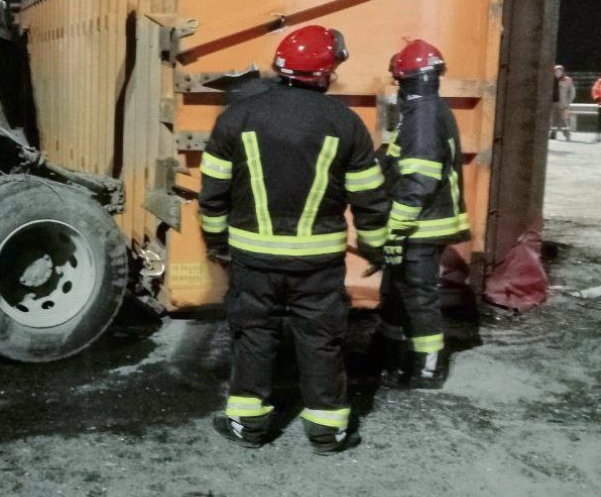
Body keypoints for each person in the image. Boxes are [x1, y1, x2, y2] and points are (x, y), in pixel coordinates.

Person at [199, 25, 389, 454]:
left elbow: (212, 194)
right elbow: (370, 200)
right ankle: (327, 432)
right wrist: (376, 248)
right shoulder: (347, 124)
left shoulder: (236, 118)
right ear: (325, 72)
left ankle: (248, 426)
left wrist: (216, 242)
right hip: (318, 264)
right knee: (321, 339)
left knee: (253, 334)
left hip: (253, 258)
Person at [377, 40, 470, 390]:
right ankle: (392, 354)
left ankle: (429, 367)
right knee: (398, 290)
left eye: (399, 81)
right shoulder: (428, 112)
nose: (398, 89)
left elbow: (418, 179)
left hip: (420, 225)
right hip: (422, 223)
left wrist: (396, 227)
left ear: (408, 80)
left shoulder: (424, 117)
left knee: (416, 294)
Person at [550, 65, 575, 141]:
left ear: (562, 72)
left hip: (563, 104)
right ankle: (553, 134)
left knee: (564, 120)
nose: (558, 72)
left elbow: (572, 92)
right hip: (553, 103)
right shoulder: (550, 79)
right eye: (556, 71)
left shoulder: (567, 80)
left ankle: (567, 135)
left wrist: (568, 101)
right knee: (553, 120)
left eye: (560, 71)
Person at [591, 75, 601, 143]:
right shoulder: (599, 81)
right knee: (600, 122)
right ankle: (598, 137)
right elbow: (595, 90)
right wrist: (598, 98)